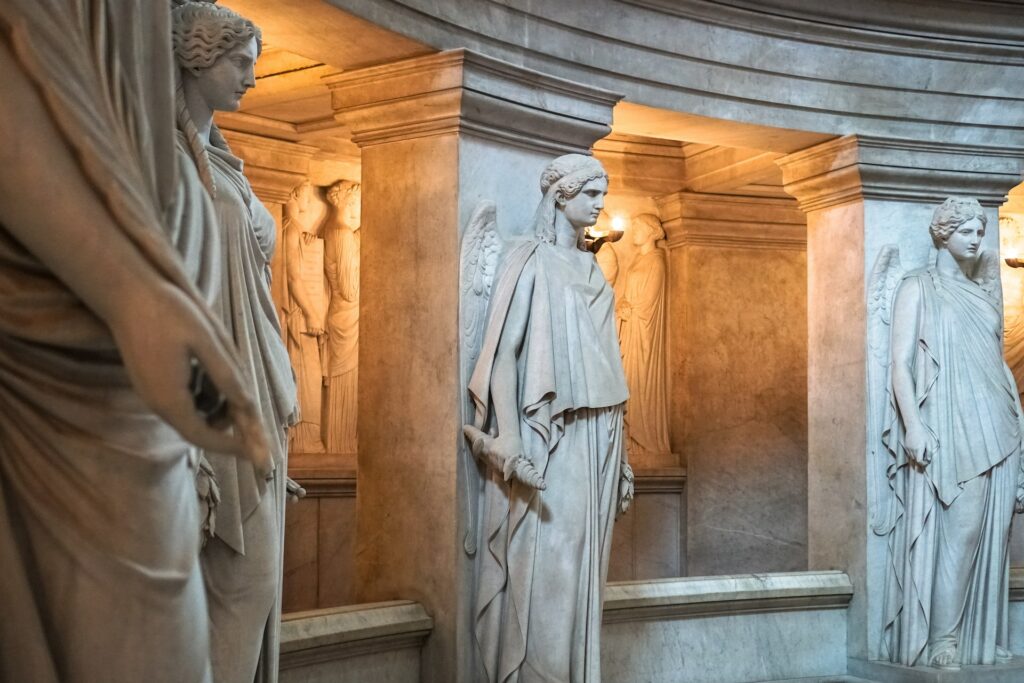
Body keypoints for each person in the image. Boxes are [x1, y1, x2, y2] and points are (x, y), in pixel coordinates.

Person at [0, 2, 268, 681]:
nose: (254, 81)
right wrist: (131, 292)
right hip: (81, 342)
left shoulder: (212, 161)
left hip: (140, 348)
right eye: (242, 64)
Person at [464, 154, 633, 682]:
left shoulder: (591, 264)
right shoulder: (528, 258)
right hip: (554, 432)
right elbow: (502, 355)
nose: (600, 204)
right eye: (591, 194)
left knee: (585, 568)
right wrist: (509, 435)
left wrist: (622, 455)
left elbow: (607, 355)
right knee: (554, 562)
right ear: (561, 195)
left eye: (603, 195)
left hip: (602, 430)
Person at [172, 2, 298, 681]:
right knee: (239, 584)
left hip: (249, 394)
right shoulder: (166, 158)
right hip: (205, 398)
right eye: (241, 62)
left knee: (249, 584)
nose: (252, 77)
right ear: (197, 56)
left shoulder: (227, 169)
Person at [878, 197, 1024, 669]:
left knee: (993, 536)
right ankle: (943, 638)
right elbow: (898, 363)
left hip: (998, 420)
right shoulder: (916, 288)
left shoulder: (982, 294)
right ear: (943, 233)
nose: (977, 238)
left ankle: (980, 639)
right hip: (951, 422)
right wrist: (913, 424)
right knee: (961, 532)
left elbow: (997, 364)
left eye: (981, 231)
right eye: (967, 230)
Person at [617, 213, 671, 462]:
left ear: (650, 231)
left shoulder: (656, 262)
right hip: (630, 330)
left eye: (637, 227)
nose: (633, 231)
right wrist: (623, 306)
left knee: (639, 381)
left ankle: (643, 439)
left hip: (643, 334)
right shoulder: (639, 260)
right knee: (626, 380)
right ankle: (629, 441)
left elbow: (649, 304)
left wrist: (630, 309)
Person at [283, 180, 327, 453]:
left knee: (308, 374)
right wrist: (312, 313)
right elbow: (293, 277)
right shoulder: (290, 231)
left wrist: (308, 245)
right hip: (300, 318)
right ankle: (303, 439)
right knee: (305, 376)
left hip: (303, 315)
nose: (308, 203)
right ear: (294, 195)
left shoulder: (294, 232)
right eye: (305, 197)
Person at [322, 181, 361, 454]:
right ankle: (341, 444)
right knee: (345, 382)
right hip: (348, 315)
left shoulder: (332, 229)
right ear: (348, 201)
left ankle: (341, 443)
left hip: (341, 313)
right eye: (358, 201)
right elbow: (350, 288)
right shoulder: (343, 233)